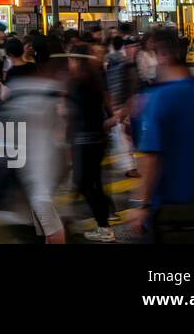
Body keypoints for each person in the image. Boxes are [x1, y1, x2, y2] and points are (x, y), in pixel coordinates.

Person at [128, 28, 194, 242]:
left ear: (162, 55)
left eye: (146, 54)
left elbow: (153, 157)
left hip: (173, 212)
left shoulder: (159, 97)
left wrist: (142, 205)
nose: (142, 62)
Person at [0, 35, 66, 243]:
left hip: (33, 166)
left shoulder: (21, 84)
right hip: (35, 165)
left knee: (46, 219)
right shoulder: (46, 88)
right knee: (41, 218)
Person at [66, 43, 115, 242]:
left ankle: (103, 225)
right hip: (97, 138)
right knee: (93, 183)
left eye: (71, 59)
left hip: (83, 139)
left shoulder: (77, 82)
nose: (69, 63)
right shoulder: (95, 77)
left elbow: (72, 113)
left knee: (84, 183)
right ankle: (103, 222)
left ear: (77, 60)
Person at [105, 34, 139, 177]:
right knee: (124, 137)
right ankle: (130, 167)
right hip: (123, 104)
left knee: (125, 137)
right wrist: (117, 107)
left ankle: (130, 165)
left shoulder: (123, 63)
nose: (135, 49)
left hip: (126, 104)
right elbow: (117, 85)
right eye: (133, 46)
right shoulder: (121, 64)